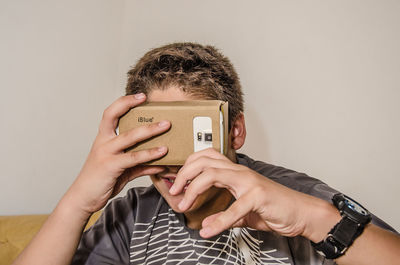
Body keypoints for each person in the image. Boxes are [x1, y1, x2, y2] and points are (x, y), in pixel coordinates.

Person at [13, 43, 400, 265]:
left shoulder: (291, 198)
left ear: (235, 130)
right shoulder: (131, 214)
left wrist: (311, 218)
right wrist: (78, 201)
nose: (173, 162)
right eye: (157, 136)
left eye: (193, 134)